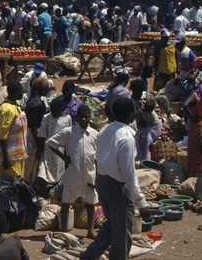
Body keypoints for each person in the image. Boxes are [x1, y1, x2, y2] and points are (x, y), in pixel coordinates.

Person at [79, 98, 150, 260]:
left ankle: (89, 255)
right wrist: (142, 203)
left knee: (112, 224)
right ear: (130, 114)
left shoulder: (105, 130)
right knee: (122, 231)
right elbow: (129, 173)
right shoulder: (126, 137)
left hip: (102, 182)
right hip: (117, 187)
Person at [47, 104, 98, 238]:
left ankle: (90, 230)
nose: (84, 120)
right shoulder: (69, 132)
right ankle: (64, 230)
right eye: (81, 117)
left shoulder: (95, 134)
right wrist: (65, 158)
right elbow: (51, 143)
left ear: (90, 118)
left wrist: (98, 174)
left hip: (89, 173)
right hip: (73, 173)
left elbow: (98, 155)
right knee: (66, 202)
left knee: (90, 202)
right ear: (76, 117)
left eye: (86, 117)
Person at [0, 83, 27, 189]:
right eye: (20, 91)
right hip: (8, 156)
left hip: (15, 154)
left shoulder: (15, 105)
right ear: (14, 93)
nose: (22, 93)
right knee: (9, 185)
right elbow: (3, 135)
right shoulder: (7, 110)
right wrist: (6, 157)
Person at [36, 97, 71, 194]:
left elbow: (69, 135)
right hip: (47, 150)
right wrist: (39, 150)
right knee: (43, 172)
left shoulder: (67, 119)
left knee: (59, 174)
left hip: (60, 151)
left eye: (56, 110)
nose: (54, 112)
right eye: (52, 110)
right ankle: (44, 193)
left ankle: (55, 193)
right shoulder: (46, 118)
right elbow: (41, 135)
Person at [183, 75, 202, 175]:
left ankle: (194, 173)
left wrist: (192, 117)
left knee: (195, 150)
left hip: (198, 126)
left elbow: (185, 104)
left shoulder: (196, 94)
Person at [23, 78, 49, 186]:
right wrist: (38, 143)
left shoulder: (31, 100)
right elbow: (34, 125)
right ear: (42, 90)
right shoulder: (38, 104)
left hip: (28, 134)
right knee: (31, 164)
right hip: (33, 136)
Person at [134, 95, 163, 161]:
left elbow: (145, 122)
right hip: (147, 127)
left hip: (153, 127)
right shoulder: (143, 110)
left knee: (145, 141)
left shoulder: (151, 115)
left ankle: (145, 160)